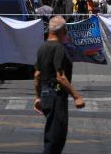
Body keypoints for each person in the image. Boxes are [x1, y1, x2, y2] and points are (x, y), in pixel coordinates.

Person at [34, 16, 85, 154]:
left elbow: (37, 75)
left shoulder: (42, 47)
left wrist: (38, 97)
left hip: (46, 95)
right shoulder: (58, 48)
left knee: (52, 135)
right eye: (66, 28)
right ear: (62, 30)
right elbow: (61, 77)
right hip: (55, 95)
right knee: (56, 138)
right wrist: (76, 96)